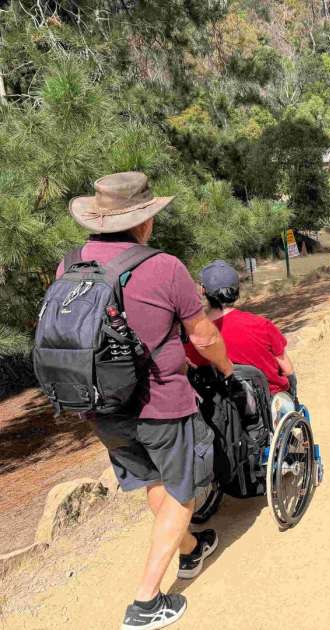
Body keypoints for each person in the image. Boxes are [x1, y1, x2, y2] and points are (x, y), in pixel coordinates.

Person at [58, 172, 243, 630]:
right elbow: (204, 335)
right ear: (144, 222)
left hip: (100, 405)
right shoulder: (164, 267)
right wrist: (226, 371)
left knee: (154, 480)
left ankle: (190, 550)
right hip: (160, 403)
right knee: (182, 492)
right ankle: (146, 602)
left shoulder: (71, 264)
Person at [184, 259, 298, 426]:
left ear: (203, 291)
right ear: (236, 291)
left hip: (222, 414)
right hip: (269, 408)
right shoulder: (261, 325)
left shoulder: (194, 336)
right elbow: (287, 369)